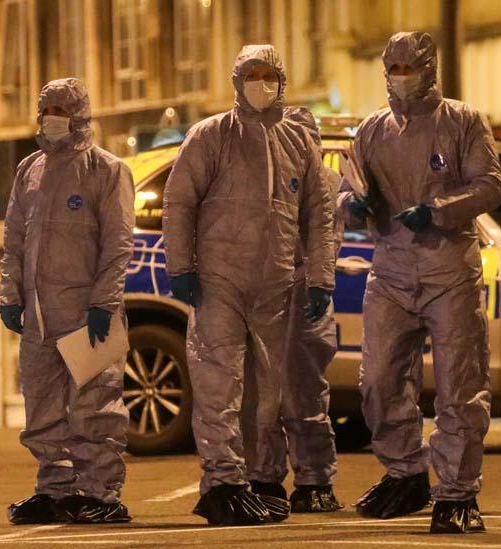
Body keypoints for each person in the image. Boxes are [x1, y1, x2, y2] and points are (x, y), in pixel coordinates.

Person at [339, 31, 501, 534]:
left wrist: (437, 212)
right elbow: (347, 191)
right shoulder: (371, 131)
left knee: (459, 384)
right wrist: (355, 207)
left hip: (448, 271)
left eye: (410, 68)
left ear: (430, 69)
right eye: (394, 69)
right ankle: (405, 471)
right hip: (389, 271)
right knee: (379, 380)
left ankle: (456, 493)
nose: (401, 77)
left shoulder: (463, 122)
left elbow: (490, 185)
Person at [163, 45, 335, 526]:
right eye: (252, 74)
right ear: (237, 80)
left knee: (266, 390)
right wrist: (183, 266)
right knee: (219, 384)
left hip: (274, 283)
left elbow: (319, 215)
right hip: (219, 279)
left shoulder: (297, 142)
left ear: (282, 79)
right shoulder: (211, 135)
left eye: (269, 74)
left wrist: (319, 275)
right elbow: (180, 202)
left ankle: (260, 479)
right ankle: (222, 482)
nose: (261, 82)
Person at [0, 78, 135, 524]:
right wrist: (10, 294)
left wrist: (104, 301)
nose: (51, 116)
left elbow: (117, 244)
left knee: (96, 406)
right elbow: (14, 240)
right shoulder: (29, 170)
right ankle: (54, 488)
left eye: (60, 108)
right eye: (46, 108)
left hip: (86, 313)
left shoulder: (107, 171)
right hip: (39, 315)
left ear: (80, 114)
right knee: (42, 405)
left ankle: (100, 491)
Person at [241, 106, 344, 513]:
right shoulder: (265, 185)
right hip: (269, 294)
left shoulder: (324, 186)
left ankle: (314, 477)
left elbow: (323, 241)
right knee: (260, 393)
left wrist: (314, 281)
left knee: (304, 392)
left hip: (305, 296)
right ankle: (264, 474)